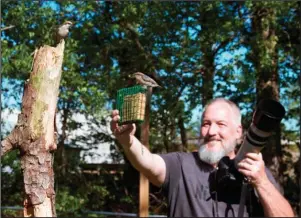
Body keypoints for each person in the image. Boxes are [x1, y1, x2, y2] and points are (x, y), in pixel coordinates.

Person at [110, 98, 295, 217]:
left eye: (221, 124)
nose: (212, 131)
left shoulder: (255, 171)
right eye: (206, 124)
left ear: (239, 132)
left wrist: (261, 182)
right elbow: (148, 162)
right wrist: (127, 140)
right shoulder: (181, 165)